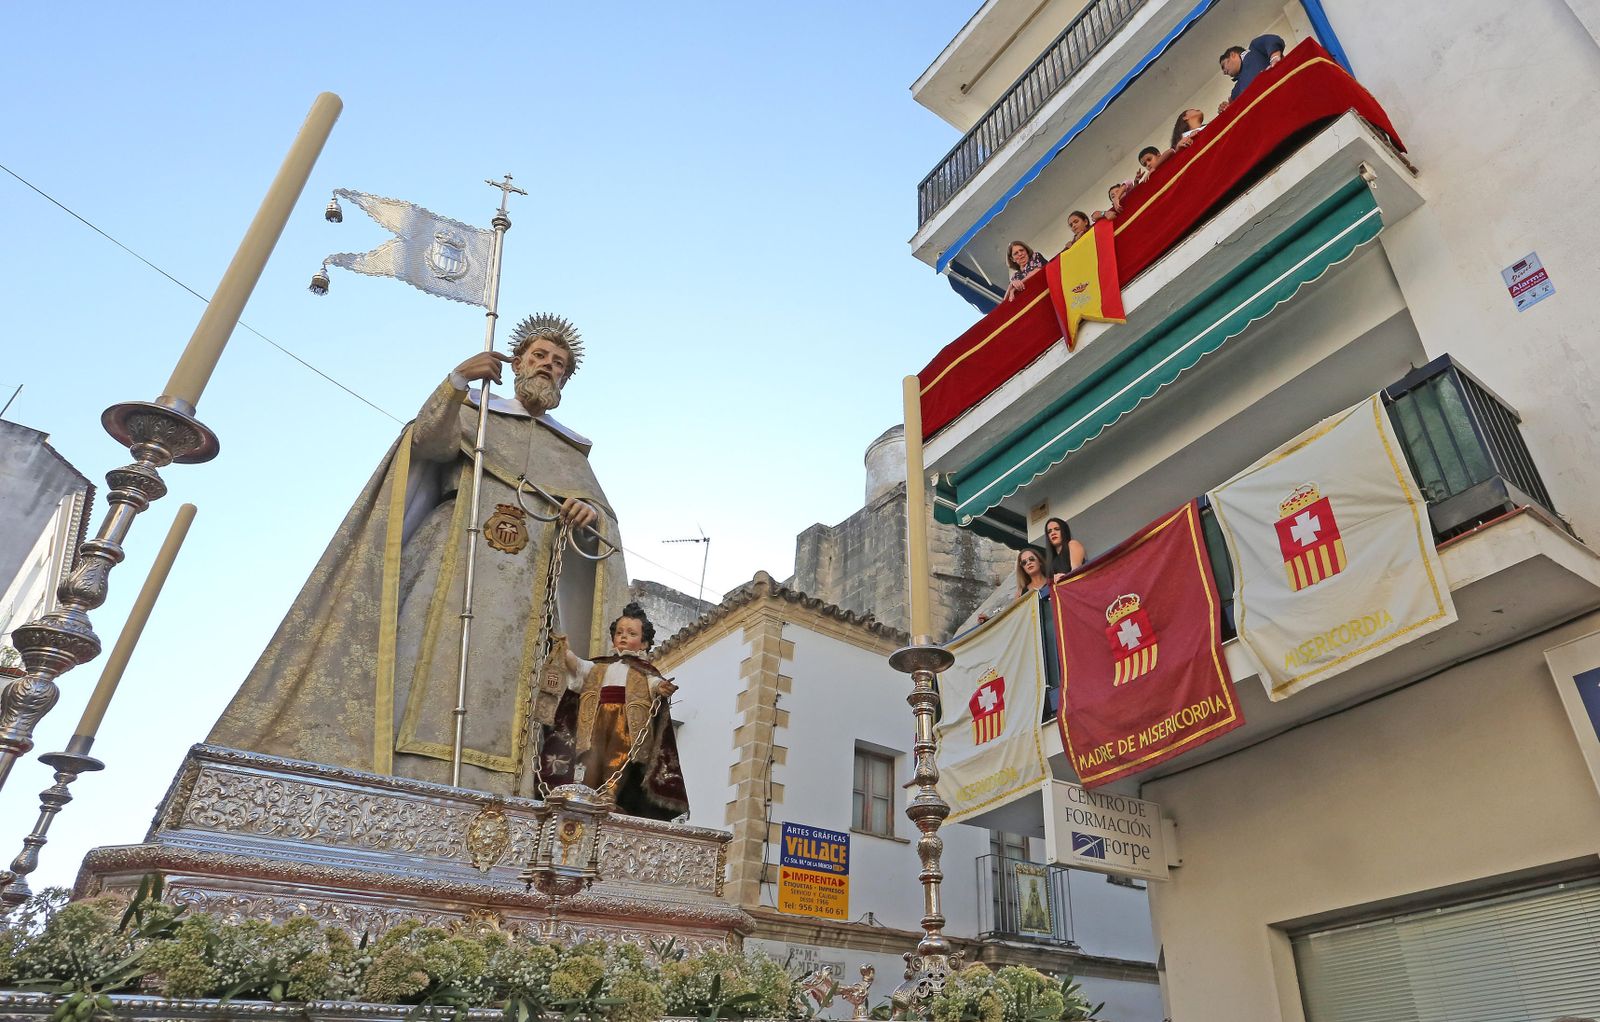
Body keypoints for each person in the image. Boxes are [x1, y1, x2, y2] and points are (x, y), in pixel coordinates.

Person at [208, 314, 633, 797]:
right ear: (517, 362)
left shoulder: (571, 451)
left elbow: (602, 521)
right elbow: (429, 441)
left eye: (558, 364)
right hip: (449, 556)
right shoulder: (476, 410)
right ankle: (398, 777)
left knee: (510, 694)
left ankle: (496, 792)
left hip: (527, 590)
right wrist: (457, 382)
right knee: (420, 660)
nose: (547, 366)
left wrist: (590, 513)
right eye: (539, 356)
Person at [535, 602, 689, 820]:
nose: (624, 637)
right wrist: (563, 649)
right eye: (619, 632)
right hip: (595, 719)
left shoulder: (645, 672)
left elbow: (655, 684)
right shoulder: (599, 666)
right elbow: (578, 666)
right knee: (591, 756)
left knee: (618, 759)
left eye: (631, 633)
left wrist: (662, 688)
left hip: (627, 722)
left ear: (644, 643)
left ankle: (610, 795)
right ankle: (587, 792)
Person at [1217, 34, 1285, 113]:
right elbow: (1233, 107)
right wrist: (1225, 107)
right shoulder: (1237, 88)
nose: (1224, 72)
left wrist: (1274, 58)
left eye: (1223, 66)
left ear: (1233, 55)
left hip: (1282, 91)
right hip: (1269, 112)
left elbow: (1271, 40)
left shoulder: (1254, 48)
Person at [1041, 516, 1087, 582]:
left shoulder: (1072, 544)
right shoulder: (1051, 561)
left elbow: (1076, 570)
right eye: (1049, 531)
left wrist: (1064, 577)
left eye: (1057, 529)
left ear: (1064, 531)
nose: (1053, 533)